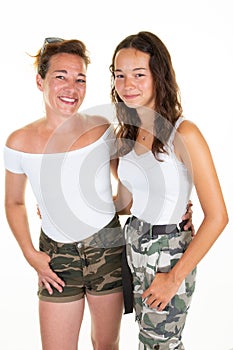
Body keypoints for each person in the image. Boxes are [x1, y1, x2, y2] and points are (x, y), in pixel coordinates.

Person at [4, 37, 193, 350]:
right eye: (60, 77)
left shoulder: (103, 128)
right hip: (56, 256)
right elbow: (12, 202)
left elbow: (133, 178)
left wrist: (175, 207)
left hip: (107, 247)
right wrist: (29, 253)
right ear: (40, 81)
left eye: (80, 79)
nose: (71, 87)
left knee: (106, 344)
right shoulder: (19, 142)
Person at [110, 31, 228, 349]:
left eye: (138, 74)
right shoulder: (127, 135)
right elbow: (127, 201)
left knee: (162, 343)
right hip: (133, 246)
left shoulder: (183, 133)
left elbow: (218, 216)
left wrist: (174, 277)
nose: (127, 84)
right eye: (119, 75)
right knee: (148, 340)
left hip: (168, 256)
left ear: (158, 75)